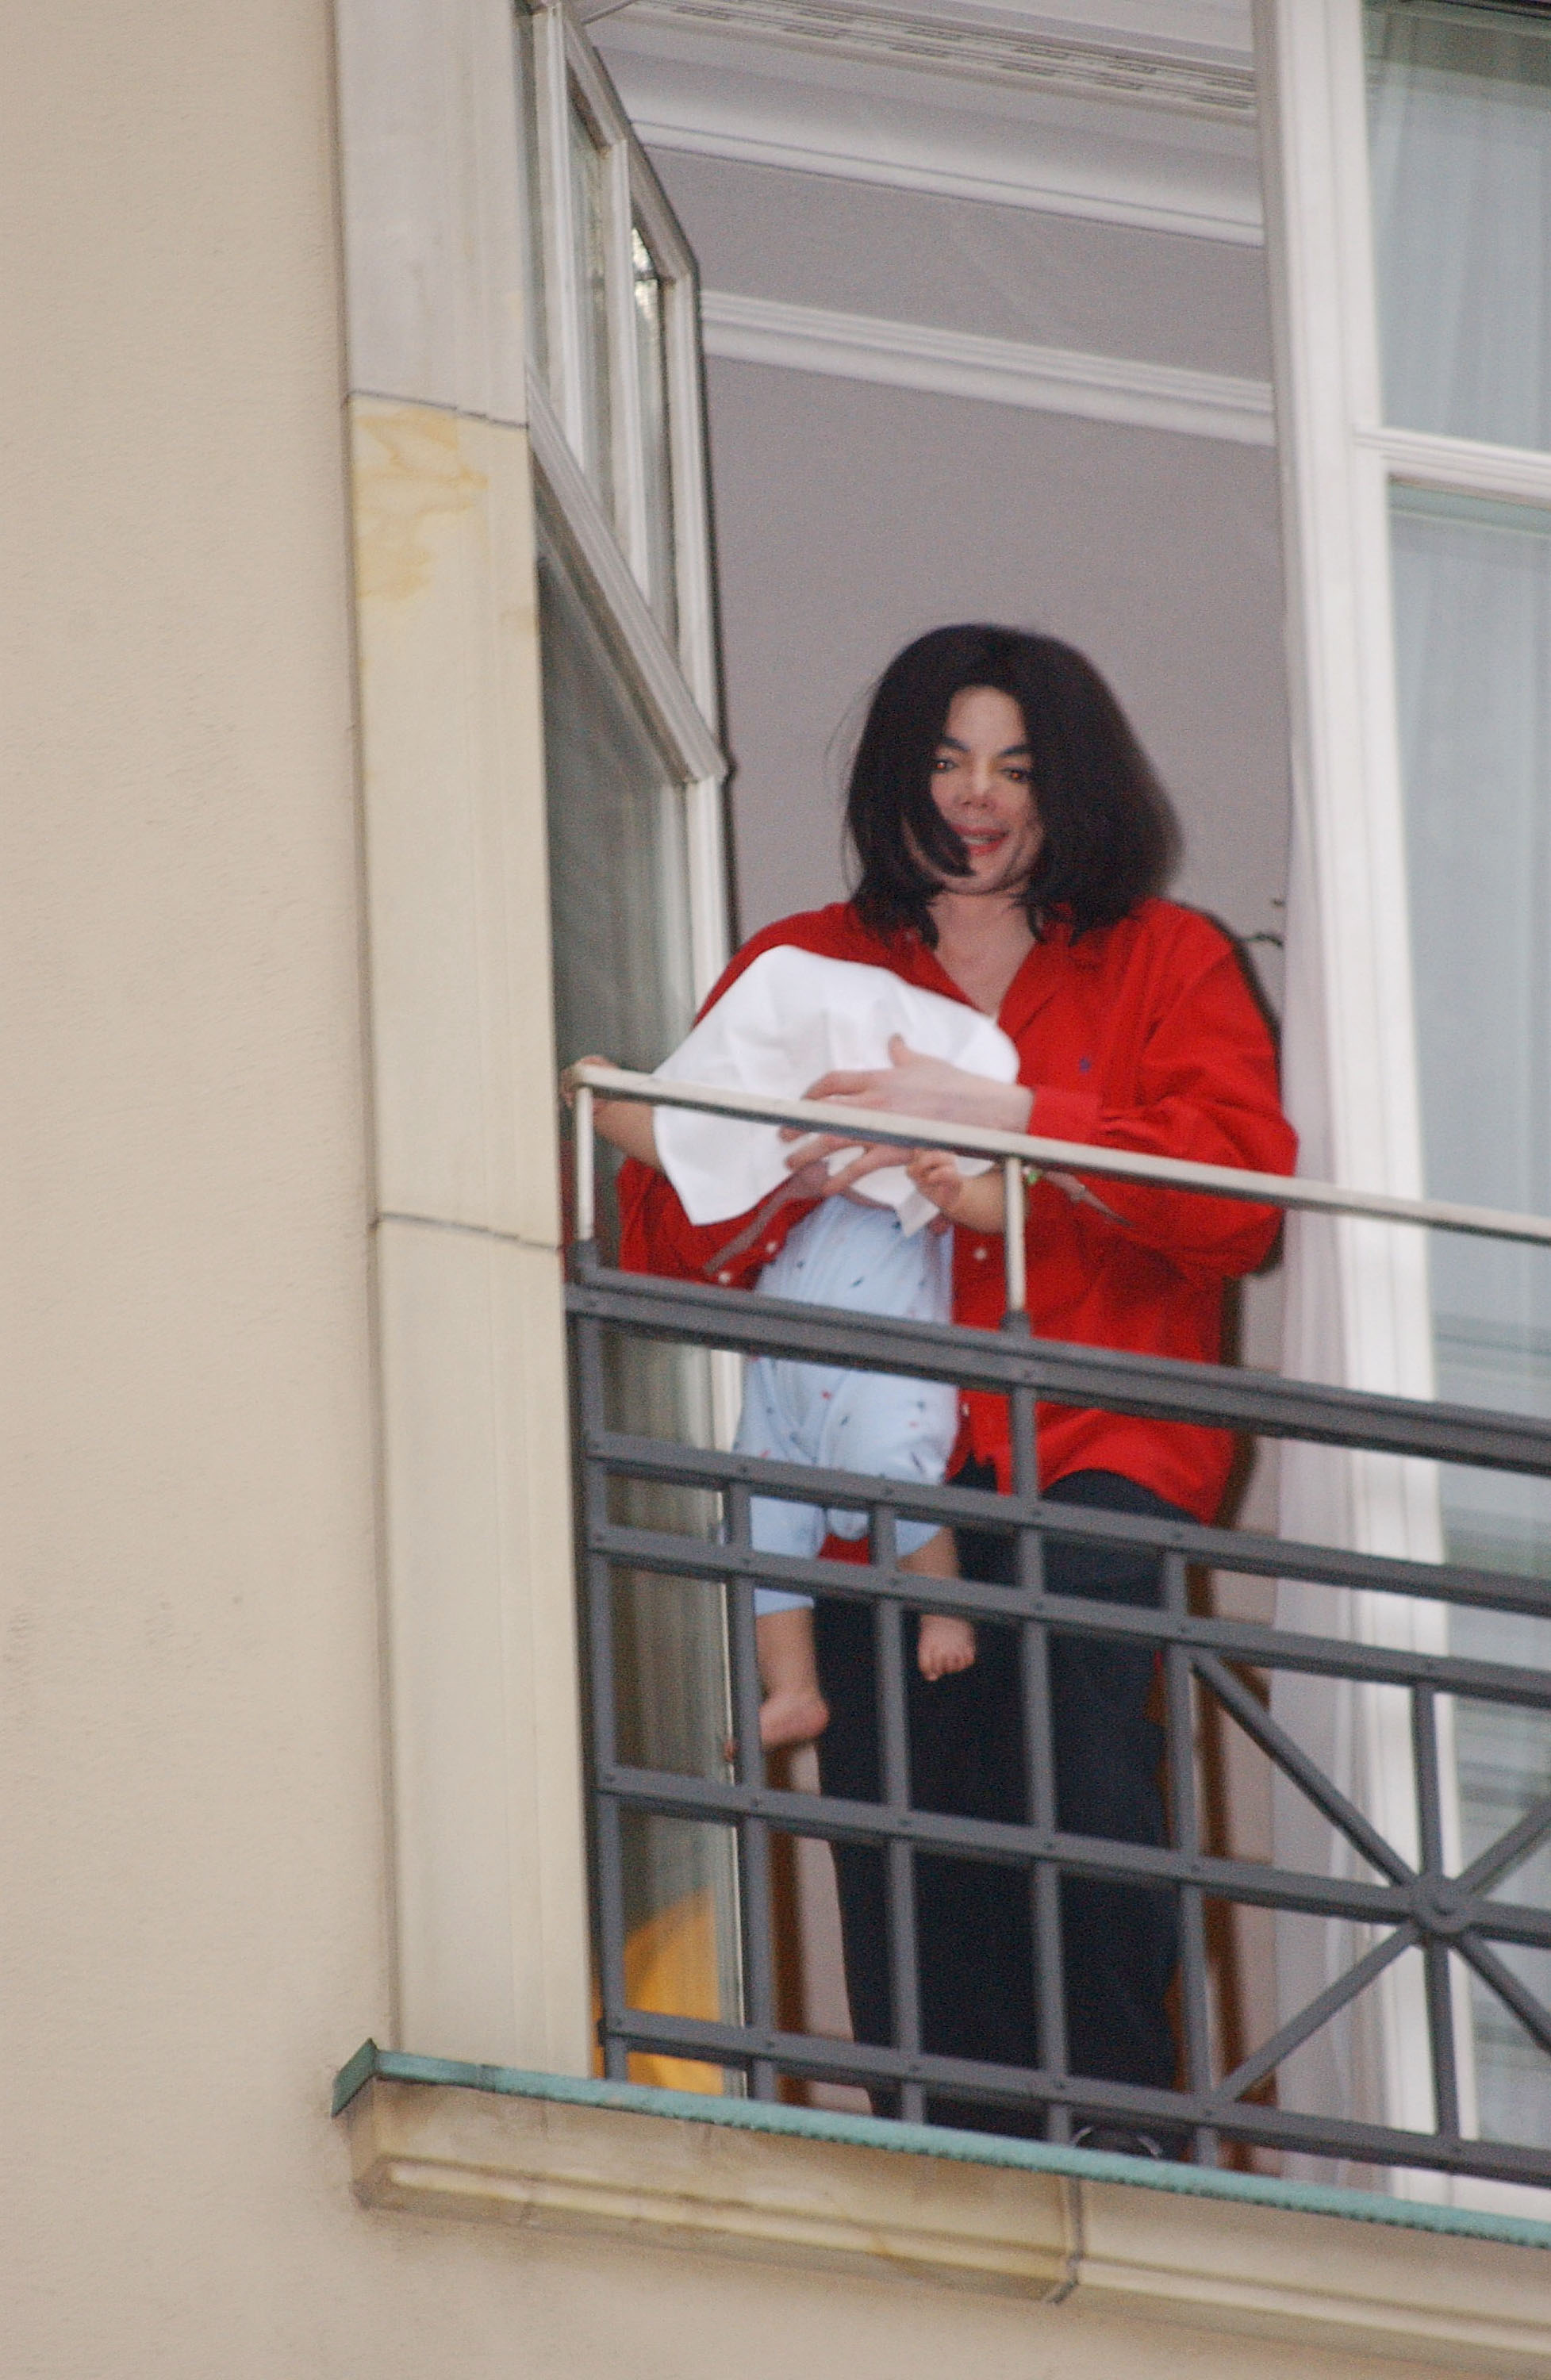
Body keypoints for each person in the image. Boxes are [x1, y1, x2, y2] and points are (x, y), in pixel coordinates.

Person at [616, 624, 1297, 2140]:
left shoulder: (1167, 956)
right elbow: (657, 1231)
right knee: (902, 1825)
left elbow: (1240, 1199)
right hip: (864, 1464)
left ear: (1072, 790)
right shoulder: (801, 967)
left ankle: (1126, 2144)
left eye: (1017, 766)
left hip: (1094, 1437)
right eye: (945, 758)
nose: (979, 796)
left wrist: (1007, 1129)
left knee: (1087, 1770)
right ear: (894, 774)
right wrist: (781, 1176)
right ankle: (963, 2166)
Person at [579, 942, 1023, 1749]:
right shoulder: (799, 1179)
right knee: (758, 1513)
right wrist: (601, 1094)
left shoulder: (915, 1175)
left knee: (897, 1469)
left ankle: (943, 1608)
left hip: (881, 1369)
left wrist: (947, 1182)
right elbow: (688, 1149)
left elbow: (1000, 1207)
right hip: (784, 1377)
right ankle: (792, 1687)